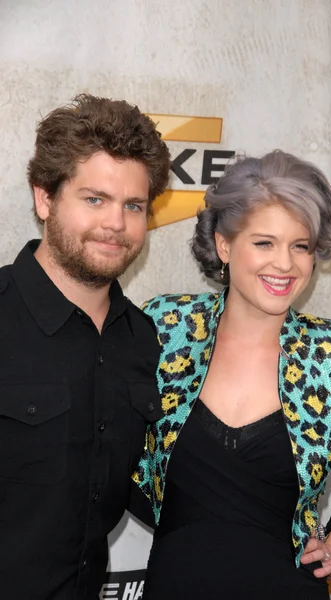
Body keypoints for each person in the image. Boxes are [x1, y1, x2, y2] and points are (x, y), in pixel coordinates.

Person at [133, 150, 331, 599]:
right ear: (223, 244)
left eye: (300, 246)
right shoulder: (166, 328)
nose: (284, 264)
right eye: (264, 243)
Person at [0, 94, 170, 599]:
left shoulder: (143, 339)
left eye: (133, 206)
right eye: (94, 199)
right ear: (45, 199)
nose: (116, 224)